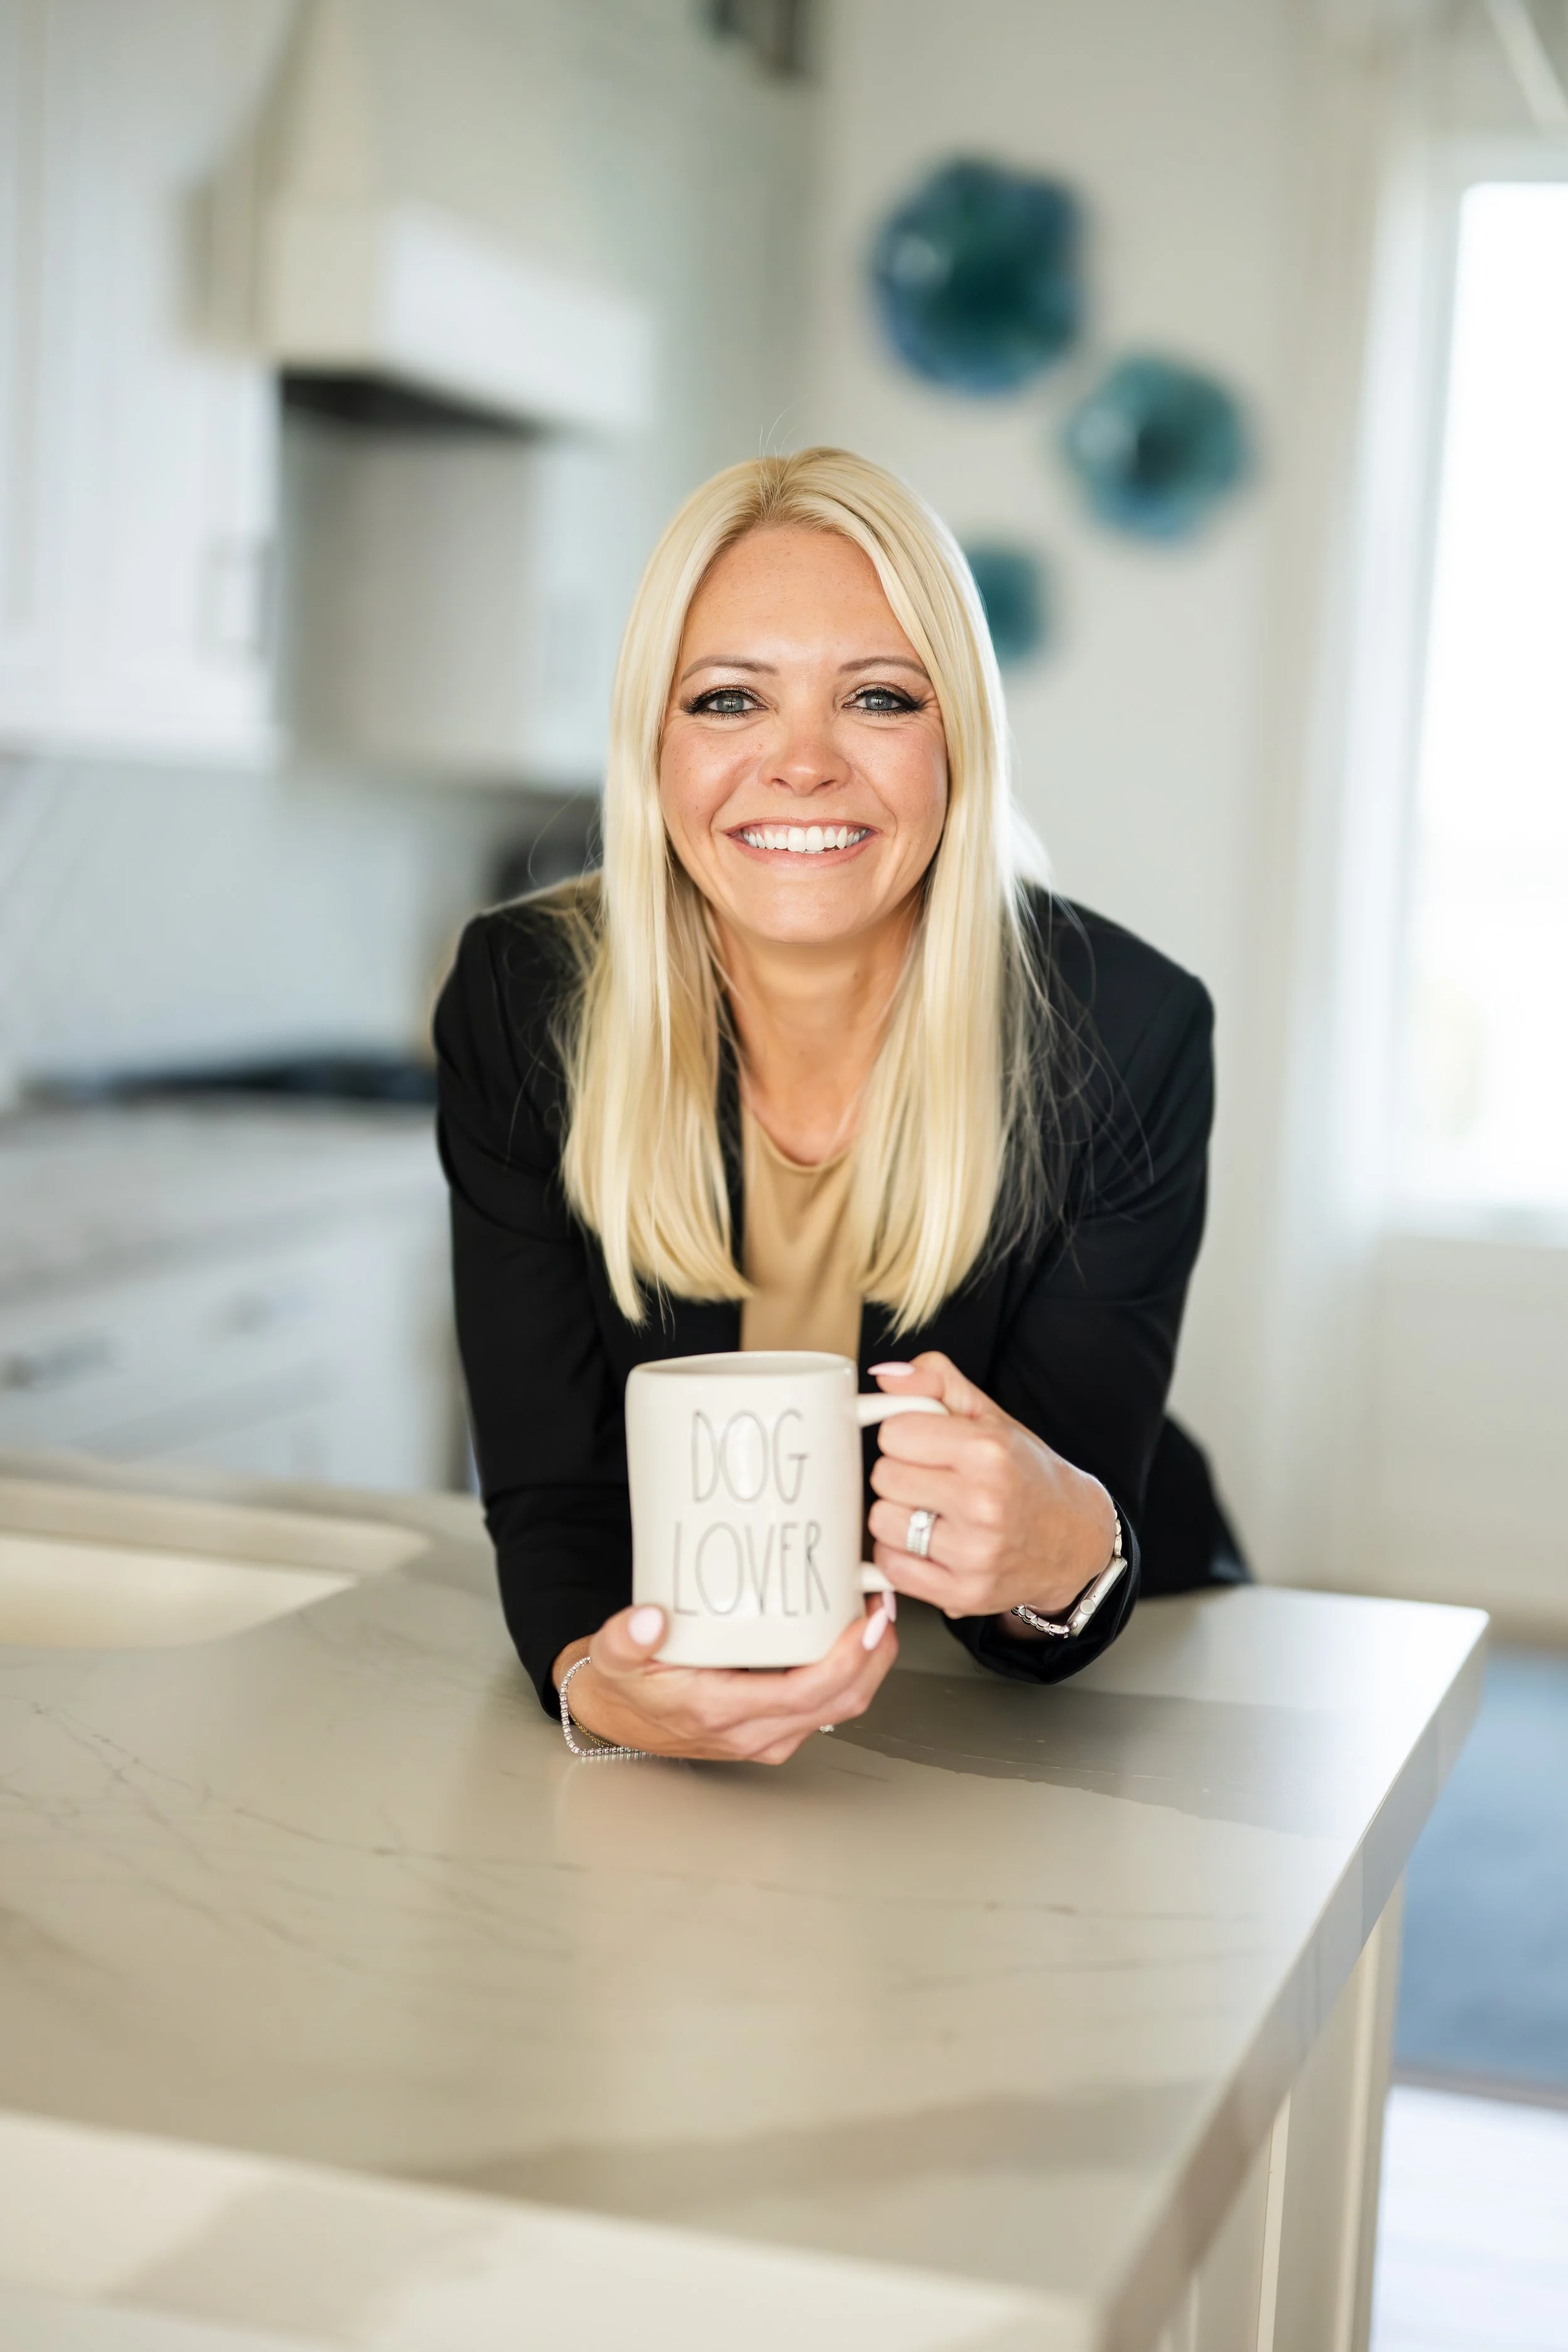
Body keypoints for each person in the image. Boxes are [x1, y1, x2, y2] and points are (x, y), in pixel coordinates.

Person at [435, 447, 1239, 1766]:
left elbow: (1050, 1564)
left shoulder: (1125, 1033)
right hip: (720, 1645)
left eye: (874, 697)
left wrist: (1060, 1551)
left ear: (955, 744)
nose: (799, 764)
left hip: (1082, 1682)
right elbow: (554, 1490)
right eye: (727, 700)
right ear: (652, 744)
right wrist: (599, 1683)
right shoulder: (524, 1003)